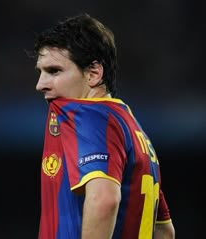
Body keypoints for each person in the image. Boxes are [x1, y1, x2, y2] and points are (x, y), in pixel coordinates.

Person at [33, 13, 175, 239]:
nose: (40, 85)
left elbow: (105, 200)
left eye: (54, 71)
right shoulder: (133, 129)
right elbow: (164, 231)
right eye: (40, 72)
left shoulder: (90, 116)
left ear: (93, 73)